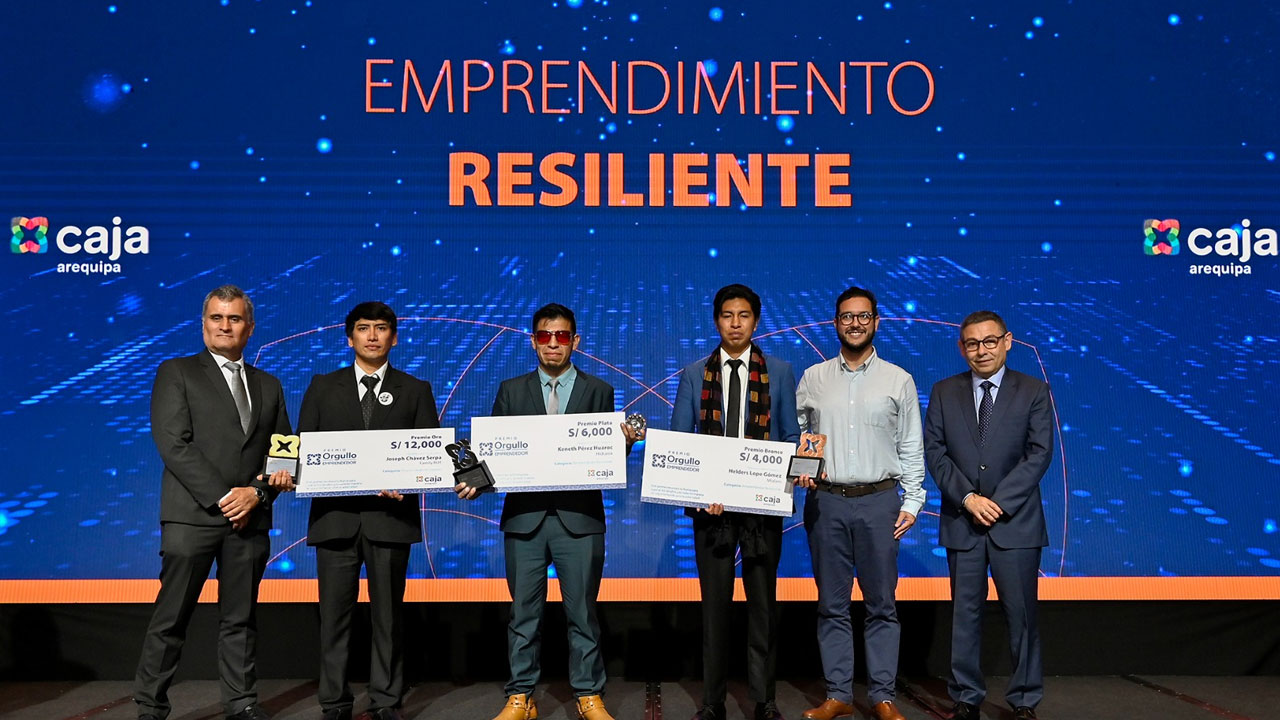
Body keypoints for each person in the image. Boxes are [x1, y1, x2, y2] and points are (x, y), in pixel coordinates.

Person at [456, 303, 643, 720]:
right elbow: (496, 453)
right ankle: (521, 696)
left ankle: (588, 694)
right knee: (523, 614)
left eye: (561, 336)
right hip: (525, 519)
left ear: (575, 341)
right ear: (533, 341)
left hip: (580, 519)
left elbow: (605, 456)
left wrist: (626, 444)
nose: (553, 344)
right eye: (545, 336)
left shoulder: (599, 390)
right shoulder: (511, 390)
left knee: (583, 614)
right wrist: (475, 480)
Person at [134, 285, 293, 720]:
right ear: (203, 324)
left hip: (250, 520)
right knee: (172, 616)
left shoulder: (269, 385)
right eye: (217, 318)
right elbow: (173, 443)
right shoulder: (177, 372)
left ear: (250, 328)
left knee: (240, 619)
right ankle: (151, 705)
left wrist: (256, 493)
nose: (225, 326)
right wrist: (226, 498)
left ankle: (241, 702)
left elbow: (284, 452)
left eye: (234, 318)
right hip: (193, 518)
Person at [297, 301, 440, 720]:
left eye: (381, 328)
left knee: (388, 618)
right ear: (350, 338)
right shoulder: (323, 387)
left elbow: (429, 454)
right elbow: (302, 446)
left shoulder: (416, 389)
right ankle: (334, 701)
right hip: (335, 519)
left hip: (389, 520)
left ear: (394, 337)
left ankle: (386, 700)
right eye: (363, 328)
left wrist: (408, 480)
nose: (372, 336)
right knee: (333, 618)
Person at [793, 286, 925, 720]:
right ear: (836, 323)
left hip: (879, 501)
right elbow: (799, 435)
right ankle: (839, 695)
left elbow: (911, 444)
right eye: (847, 317)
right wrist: (802, 470)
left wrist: (913, 500)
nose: (855, 323)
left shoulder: (898, 380)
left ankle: (883, 696)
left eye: (863, 316)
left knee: (881, 605)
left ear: (876, 322)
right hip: (826, 503)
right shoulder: (813, 378)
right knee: (831, 605)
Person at [670, 284, 800, 720]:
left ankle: (764, 699)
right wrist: (699, 492)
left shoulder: (779, 371)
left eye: (744, 315)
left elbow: (789, 435)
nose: (735, 323)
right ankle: (713, 701)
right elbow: (682, 442)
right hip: (713, 512)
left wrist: (794, 469)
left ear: (756, 321)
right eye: (727, 315)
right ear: (716, 321)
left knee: (763, 606)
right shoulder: (694, 374)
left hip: (762, 508)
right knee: (715, 609)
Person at [924, 311, 1053, 720]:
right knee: (965, 615)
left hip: (1015, 524)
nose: (981, 350)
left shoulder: (1033, 390)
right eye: (972, 343)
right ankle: (966, 697)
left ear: (1007, 341)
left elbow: (1039, 454)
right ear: (961, 348)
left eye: (989, 341)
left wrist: (996, 503)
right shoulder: (944, 392)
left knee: (1022, 616)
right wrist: (968, 499)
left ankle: (1025, 700)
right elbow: (935, 453)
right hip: (963, 521)